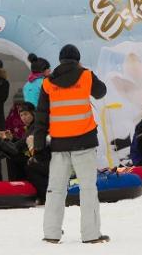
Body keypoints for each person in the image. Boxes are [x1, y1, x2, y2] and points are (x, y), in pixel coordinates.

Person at [33, 44, 108, 244]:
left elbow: (41, 116)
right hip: (84, 142)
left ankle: (51, 233)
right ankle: (91, 234)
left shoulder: (48, 83)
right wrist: (84, 71)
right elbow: (101, 92)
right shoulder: (85, 76)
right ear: (77, 59)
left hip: (59, 145)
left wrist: (39, 145)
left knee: (55, 190)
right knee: (88, 189)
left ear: (60, 60)